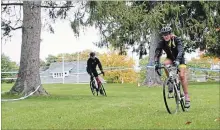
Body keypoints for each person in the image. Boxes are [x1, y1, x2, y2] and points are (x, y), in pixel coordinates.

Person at [154, 26, 190, 108]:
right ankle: (170, 80)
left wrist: (178, 60)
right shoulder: (162, 42)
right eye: (164, 34)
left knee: (182, 76)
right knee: (165, 64)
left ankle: (187, 97)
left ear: (170, 34)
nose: (165, 36)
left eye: (167, 34)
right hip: (170, 58)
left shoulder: (176, 39)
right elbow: (157, 52)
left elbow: (181, 50)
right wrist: (156, 62)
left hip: (180, 59)